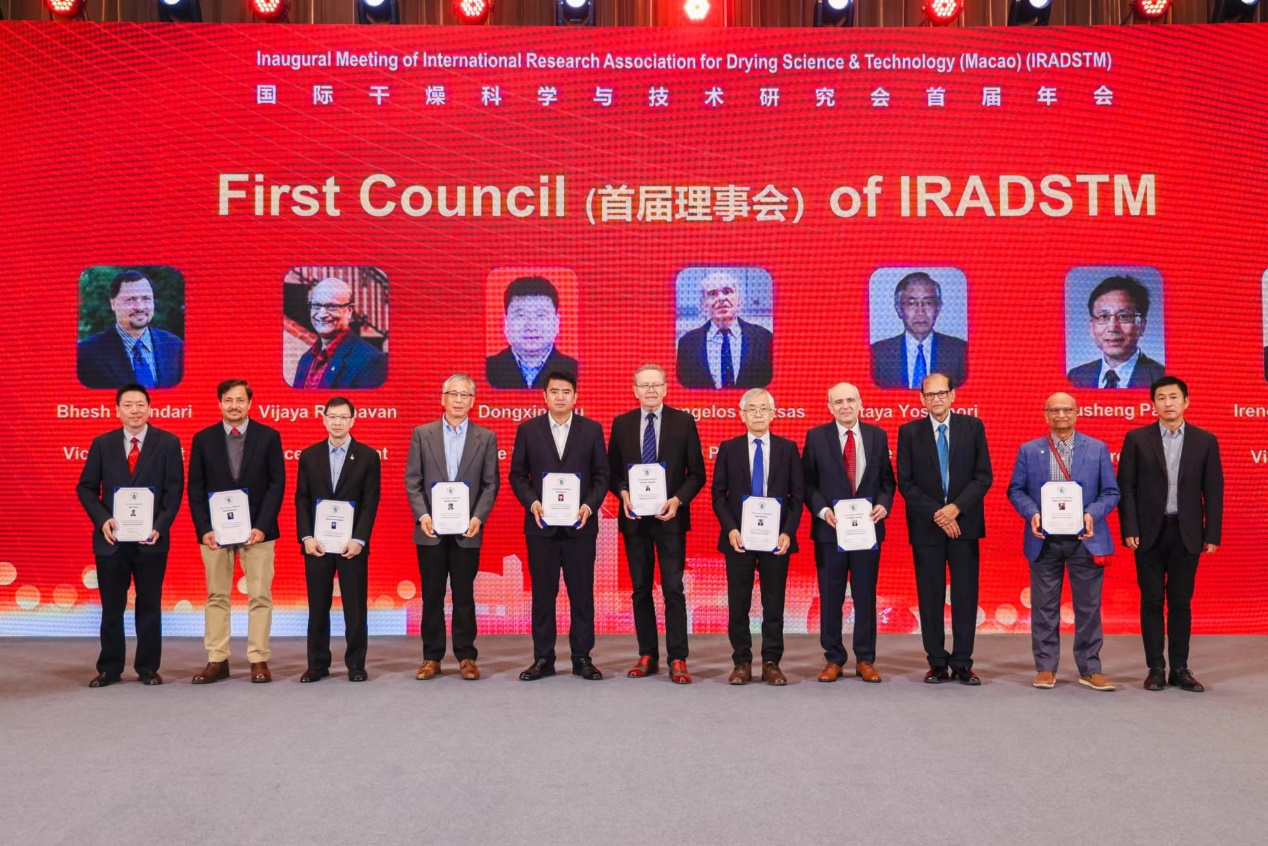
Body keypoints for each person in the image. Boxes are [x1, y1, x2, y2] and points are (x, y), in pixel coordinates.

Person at [1006, 393, 1120, 691]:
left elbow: (1111, 492)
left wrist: (1092, 514)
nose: (1060, 415)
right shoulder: (1029, 450)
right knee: (1044, 606)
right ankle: (1046, 667)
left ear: (1077, 413)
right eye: (1054, 410)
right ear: (1046, 415)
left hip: (1086, 539)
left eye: (1066, 409)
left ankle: (1090, 669)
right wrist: (1032, 513)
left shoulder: (1096, 448)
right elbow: (1016, 490)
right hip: (1045, 540)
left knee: (1088, 607)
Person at [1118, 376, 1223, 692]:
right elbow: (1126, 488)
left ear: (1186, 401)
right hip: (1148, 533)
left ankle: (1179, 668)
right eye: (1161, 398)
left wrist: (1212, 533)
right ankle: (1155, 668)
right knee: (1151, 601)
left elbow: (1213, 490)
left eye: (1174, 397)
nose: (1168, 403)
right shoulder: (1137, 439)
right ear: (1153, 404)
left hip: (1187, 532)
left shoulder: (1205, 441)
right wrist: (1130, 528)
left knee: (1180, 602)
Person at [75, 384, 184, 686]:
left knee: (149, 604)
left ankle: (148, 667)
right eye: (128, 405)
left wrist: (160, 526)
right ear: (117, 410)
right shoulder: (102, 444)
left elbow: (174, 491)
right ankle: (109, 668)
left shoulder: (168, 442)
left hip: (151, 540)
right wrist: (103, 520)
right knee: (112, 606)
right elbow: (86, 488)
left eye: (140, 404)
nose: (135, 410)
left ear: (149, 408)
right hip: (112, 541)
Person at [607, 364, 706, 683]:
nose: (650, 390)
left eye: (656, 385)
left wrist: (677, 500)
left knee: (673, 589)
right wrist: (623, 493)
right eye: (644, 385)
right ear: (634, 390)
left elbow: (697, 474)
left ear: (665, 388)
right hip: (635, 520)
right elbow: (612, 473)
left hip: (670, 520)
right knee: (640, 590)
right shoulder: (622, 424)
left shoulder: (683, 422)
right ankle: (647, 654)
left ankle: (678, 657)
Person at [508, 370, 610, 680]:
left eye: (566, 392)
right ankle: (543, 658)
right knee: (543, 595)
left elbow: (602, 475)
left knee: (582, 595)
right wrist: (532, 502)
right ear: (545, 396)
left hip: (580, 527)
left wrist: (588, 506)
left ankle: (582, 658)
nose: (560, 397)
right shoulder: (528, 430)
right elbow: (517, 475)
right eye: (555, 391)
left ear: (575, 397)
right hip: (541, 527)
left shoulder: (591, 430)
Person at [187, 379, 286, 684]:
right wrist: (204, 529)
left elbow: (277, 484)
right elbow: (195, 487)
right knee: (217, 595)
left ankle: (259, 659)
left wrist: (262, 526)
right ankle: (217, 659)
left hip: (258, 532)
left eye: (240, 400)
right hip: (215, 535)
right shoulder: (202, 439)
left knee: (260, 596)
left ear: (250, 404)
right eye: (228, 400)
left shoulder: (269, 436)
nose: (234, 406)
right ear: (219, 403)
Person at [896, 372, 992, 685]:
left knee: (965, 595)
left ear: (952, 395)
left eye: (941, 393)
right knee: (930, 596)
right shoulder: (909, 432)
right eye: (930, 394)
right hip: (927, 527)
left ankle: (963, 662)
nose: (936, 399)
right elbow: (906, 483)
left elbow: (983, 476)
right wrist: (939, 514)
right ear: (921, 399)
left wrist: (955, 509)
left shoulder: (973, 427)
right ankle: (936, 661)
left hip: (965, 525)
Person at [405, 375, 500, 681]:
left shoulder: (486, 437)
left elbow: (490, 484)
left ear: (473, 402)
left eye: (465, 395)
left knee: (464, 597)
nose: (458, 400)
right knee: (432, 596)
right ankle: (431, 658)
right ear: (442, 398)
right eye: (453, 394)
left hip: (466, 531)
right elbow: (413, 480)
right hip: (430, 531)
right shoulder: (422, 434)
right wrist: (423, 516)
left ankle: (466, 657)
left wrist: (478, 518)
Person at [802, 382, 895, 683]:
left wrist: (883, 505)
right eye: (839, 402)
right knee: (831, 597)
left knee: (865, 596)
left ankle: (865, 659)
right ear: (829, 407)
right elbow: (807, 484)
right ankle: (834, 658)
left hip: (867, 532)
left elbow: (887, 482)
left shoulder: (877, 436)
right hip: (830, 532)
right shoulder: (816, 437)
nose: (845, 406)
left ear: (860, 404)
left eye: (850, 400)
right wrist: (822, 510)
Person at [712, 388, 804, 685]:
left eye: (764, 409)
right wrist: (731, 529)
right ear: (742, 415)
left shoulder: (788, 449)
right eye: (752, 409)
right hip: (739, 540)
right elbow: (718, 495)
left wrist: (787, 531)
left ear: (773, 414)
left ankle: (771, 662)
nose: (758, 414)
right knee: (739, 602)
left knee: (773, 602)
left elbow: (797, 496)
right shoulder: (729, 448)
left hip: (776, 540)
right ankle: (741, 661)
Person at [294, 397, 381, 683]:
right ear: (324, 419)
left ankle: (356, 665)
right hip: (317, 545)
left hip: (351, 546)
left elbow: (370, 501)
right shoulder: (309, 455)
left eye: (343, 417)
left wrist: (360, 539)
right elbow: (302, 498)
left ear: (353, 420)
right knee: (318, 606)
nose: (337, 422)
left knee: (354, 607)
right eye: (332, 416)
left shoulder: (368, 456)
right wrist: (306, 537)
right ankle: (317, 665)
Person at [77, 269, 184, 389]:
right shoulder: (87, 353)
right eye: (130, 300)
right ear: (113, 303)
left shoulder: (175, 347)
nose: (140, 307)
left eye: (146, 298)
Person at [675, 269, 773, 389]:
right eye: (713, 294)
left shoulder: (764, 339)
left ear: (739, 300)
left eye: (727, 291)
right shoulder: (687, 344)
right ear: (703, 304)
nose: (721, 298)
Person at [871, 271, 967, 390]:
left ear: (938, 308)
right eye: (912, 303)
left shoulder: (960, 352)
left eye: (928, 303)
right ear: (899, 309)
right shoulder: (877, 354)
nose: (920, 311)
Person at [1067, 275, 1165, 389]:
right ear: (1092, 326)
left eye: (1123, 316)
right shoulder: (1076, 377)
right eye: (1104, 316)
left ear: (1142, 326)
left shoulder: (1162, 378)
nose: (1112, 327)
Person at [292, 277, 387, 389]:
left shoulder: (370, 360)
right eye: (316, 306)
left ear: (349, 311)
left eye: (332, 306)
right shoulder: (306, 359)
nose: (322, 314)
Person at [485, 276, 579, 389]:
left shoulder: (576, 371)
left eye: (541, 315)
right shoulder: (487, 369)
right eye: (521, 315)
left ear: (556, 323)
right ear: (506, 322)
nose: (531, 326)